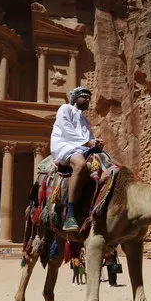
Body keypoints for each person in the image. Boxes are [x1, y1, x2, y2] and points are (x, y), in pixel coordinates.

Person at [50, 86, 103, 231]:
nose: (87, 100)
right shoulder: (65, 108)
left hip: (82, 147)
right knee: (80, 165)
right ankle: (70, 213)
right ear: (75, 98)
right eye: (84, 96)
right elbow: (66, 129)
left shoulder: (85, 120)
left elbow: (89, 137)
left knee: (107, 163)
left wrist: (95, 142)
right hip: (65, 145)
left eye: (89, 98)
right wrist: (87, 143)